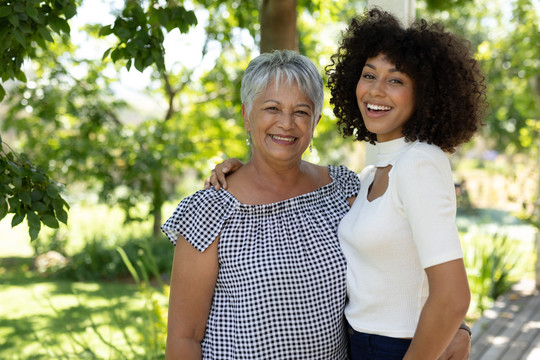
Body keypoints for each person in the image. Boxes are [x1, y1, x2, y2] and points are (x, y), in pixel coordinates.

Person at [205, 8, 486, 360]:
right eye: (369, 75)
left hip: (399, 349)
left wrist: (457, 330)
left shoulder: (419, 163)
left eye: (396, 80)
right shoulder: (367, 178)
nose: (376, 90)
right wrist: (239, 169)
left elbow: (454, 295)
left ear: (425, 93)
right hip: (358, 345)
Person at [162, 49, 361, 359]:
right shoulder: (210, 210)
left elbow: (398, 261)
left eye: (301, 111)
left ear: (316, 121)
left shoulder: (343, 192)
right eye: (272, 108)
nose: (286, 123)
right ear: (246, 116)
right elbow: (183, 338)